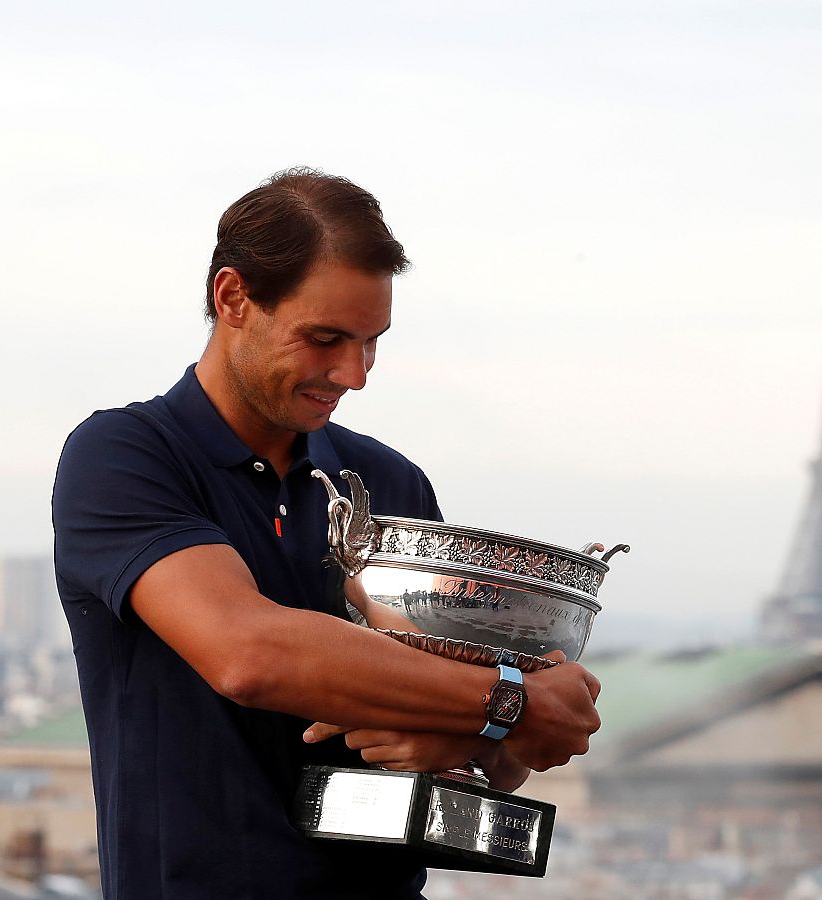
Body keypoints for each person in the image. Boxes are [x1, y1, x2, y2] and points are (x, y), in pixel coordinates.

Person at [51, 168, 602, 899]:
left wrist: (484, 731)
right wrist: (513, 700)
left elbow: (494, 771)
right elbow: (247, 653)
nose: (355, 373)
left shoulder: (392, 486)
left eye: (372, 341)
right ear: (233, 298)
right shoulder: (124, 456)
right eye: (325, 339)